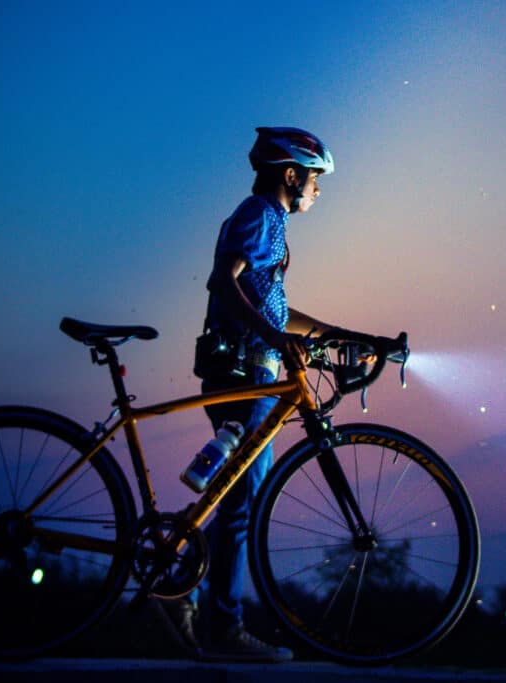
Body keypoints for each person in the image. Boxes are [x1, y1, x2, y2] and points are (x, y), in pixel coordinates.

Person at [160, 127, 341, 662]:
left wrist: (338, 336)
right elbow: (224, 280)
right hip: (246, 377)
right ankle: (223, 626)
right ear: (292, 175)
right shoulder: (261, 215)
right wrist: (272, 338)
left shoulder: (269, 221)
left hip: (246, 373)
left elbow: (274, 308)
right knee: (244, 506)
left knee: (238, 501)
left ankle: (182, 588)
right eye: (315, 179)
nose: (318, 190)